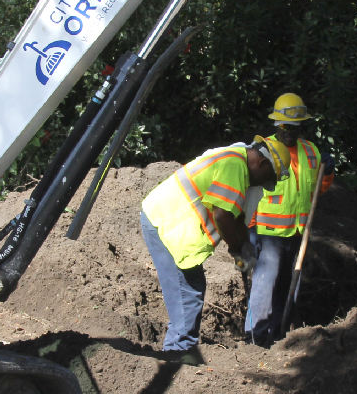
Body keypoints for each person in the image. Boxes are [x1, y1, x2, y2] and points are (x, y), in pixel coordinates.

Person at [140, 136, 289, 353]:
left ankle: (179, 349)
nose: (264, 185)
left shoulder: (238, 160)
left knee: (192, 288)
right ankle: (178, 353)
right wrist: (237, 248)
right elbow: (223, 215)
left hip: (166, 221)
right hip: (166, 223)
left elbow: (236, 215)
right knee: (188, 292)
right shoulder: (234, 165)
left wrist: (244, 250)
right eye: (267, 178)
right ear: (262, 163)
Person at [244, 93, 334, 347]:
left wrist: (328, 172)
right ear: (276, 124)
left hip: (297, 234)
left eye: (294, 127)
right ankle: (254, 337)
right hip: (268, 232)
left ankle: (277, 335)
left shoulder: (311, 152)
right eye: (284, 126)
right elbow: (248, 188)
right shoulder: (263, 150)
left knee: (287, 284)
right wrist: (249, 229)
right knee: (266, 281)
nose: (289, 132)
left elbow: (320, 188)